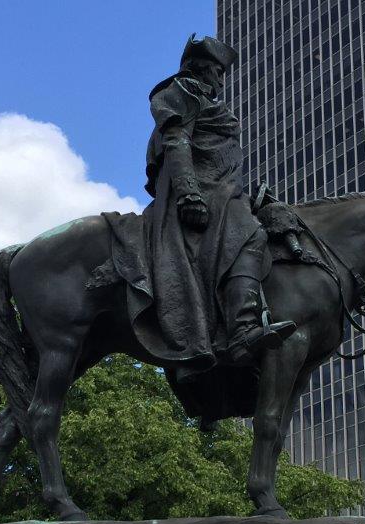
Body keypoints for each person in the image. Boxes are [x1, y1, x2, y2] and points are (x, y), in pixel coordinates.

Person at [141, 35, 295, 376]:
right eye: (216, 70)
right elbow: (177, 141)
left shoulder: (200, 98)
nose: (221, 79)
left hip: (222, 187)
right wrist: (189, 194)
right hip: (204, 190)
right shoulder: (180, 91)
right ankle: (242, 329)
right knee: (251, 236)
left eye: (223, 73)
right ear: (198, 68)